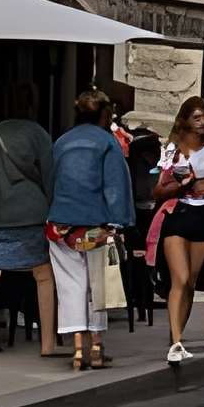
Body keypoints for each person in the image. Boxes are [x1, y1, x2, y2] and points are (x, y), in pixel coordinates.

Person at [46, 89, 136, 372]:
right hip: (95, 224)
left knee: (70, 286)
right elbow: (115, 188)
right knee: (98, 286)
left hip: (61, 223)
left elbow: (51, 182)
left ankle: (75, 350)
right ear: (105, 115)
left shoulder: (61, 142)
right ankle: (95, 347)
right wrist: (119, 222)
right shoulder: (107, 143)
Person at [0, 82, 61, 359]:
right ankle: (48, 343)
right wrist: (53, 210)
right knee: (43, 276)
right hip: (30, 213)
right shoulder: (38, 133)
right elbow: (49, 176)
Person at [155, 97, 204, 364]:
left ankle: (176, 333)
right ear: (185, 120)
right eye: (196, 117)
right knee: (179, 278)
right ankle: (177, 342)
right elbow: (158, 189)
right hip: (178, 213)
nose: (202, 122)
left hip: (203, 213)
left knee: (191, 281)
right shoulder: (173, 149)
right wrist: (185, 185)